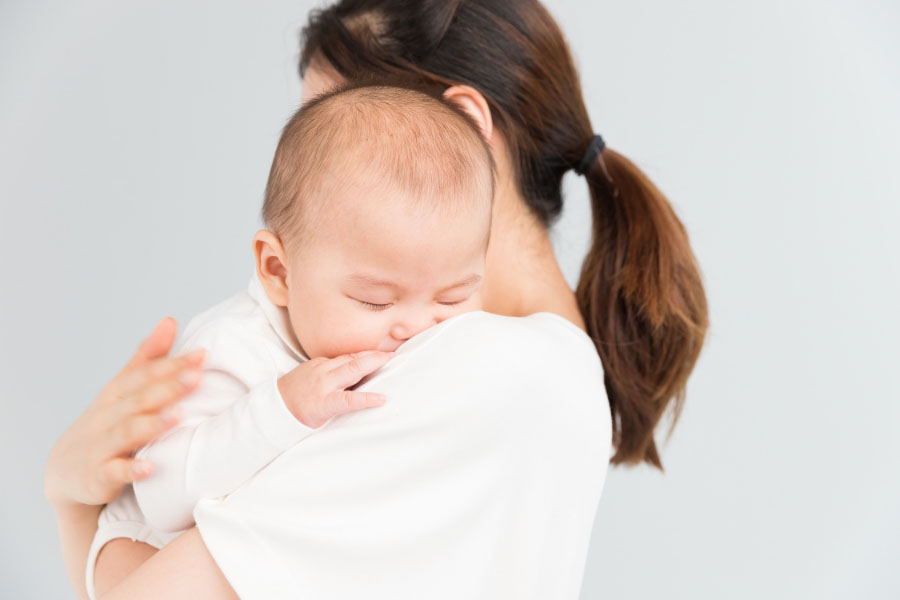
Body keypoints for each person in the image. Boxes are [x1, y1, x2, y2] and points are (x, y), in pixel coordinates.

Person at [45, 1, 709, 598]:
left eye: (341, 129)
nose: (316, 178)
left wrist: (76, 504)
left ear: (464, 127)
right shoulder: (542, 373)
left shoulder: (488, 369)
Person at [81, 81, 496, 598]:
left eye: (452, 298)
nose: (415, 327)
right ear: (278, 270)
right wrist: (282, 408)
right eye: (375, 301)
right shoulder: (229, 346)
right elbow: (161, 496)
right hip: (143, 551)